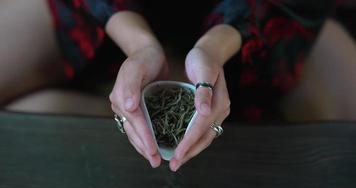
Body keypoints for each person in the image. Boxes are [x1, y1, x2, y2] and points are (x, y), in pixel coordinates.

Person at [1, 0, 354, 171]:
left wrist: (213, 48)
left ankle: (100, 115)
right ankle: (113, 105)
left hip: (258, 22)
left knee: (339, 149)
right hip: (111, 15)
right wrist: (140, 46)